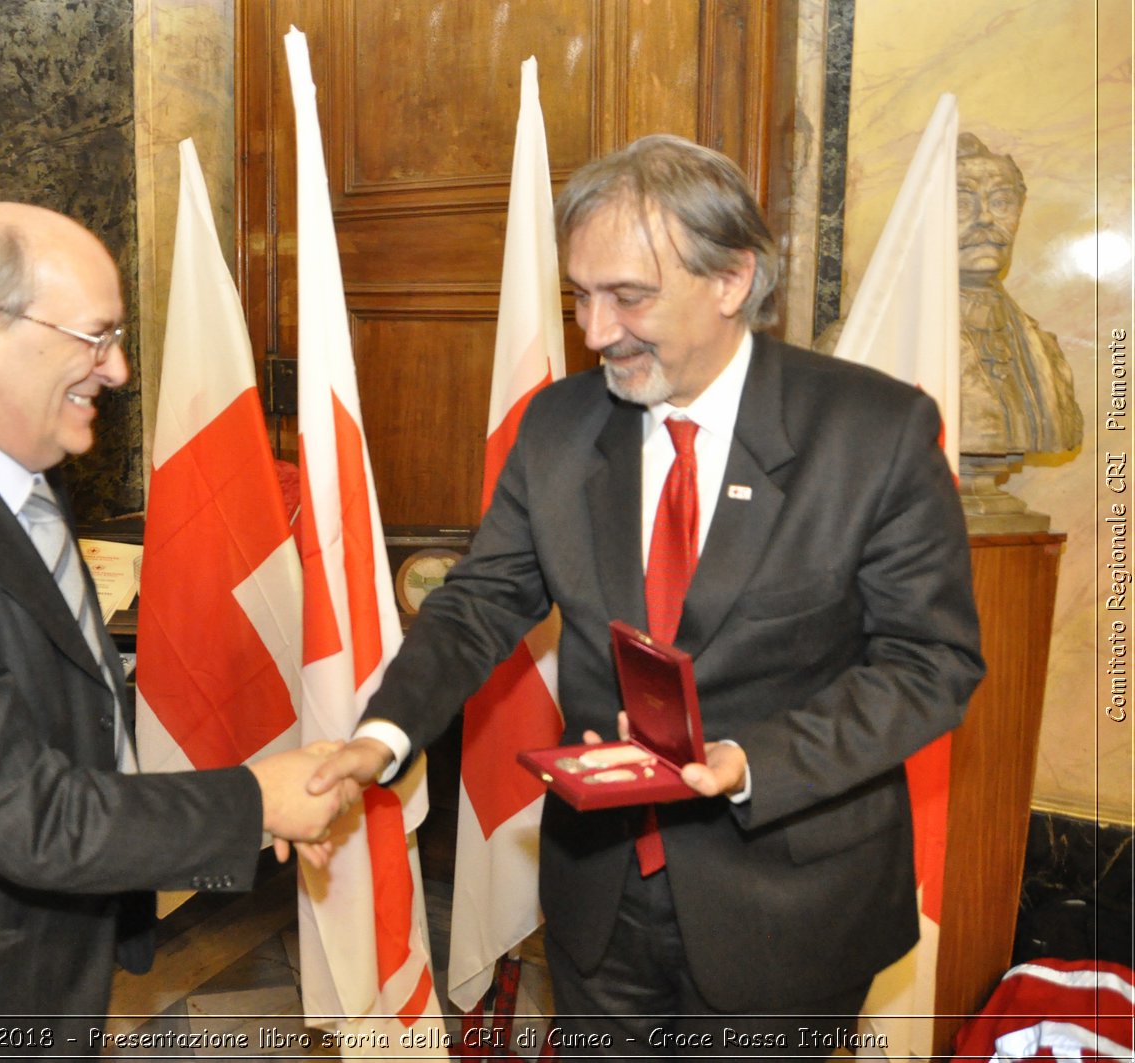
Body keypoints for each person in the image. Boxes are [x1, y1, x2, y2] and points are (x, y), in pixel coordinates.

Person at [311, 135, 985, 1057]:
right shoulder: (557, 425)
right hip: (600, 895)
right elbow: (480, 602)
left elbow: (931, 663)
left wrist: (750, 759)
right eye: (580, 296)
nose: (594, 331)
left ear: (732, 278)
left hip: (788, 902)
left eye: (628, 296)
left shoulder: (872, 432)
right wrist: (378, 737)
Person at [0, 202, 350, 1053]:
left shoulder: (10, 452)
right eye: (95, 336)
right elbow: (25, 814)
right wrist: (255, 797)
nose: (116, 368)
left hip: (35, 945)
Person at [955, 131, 1082, 456]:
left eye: (1000, 202)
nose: (984, 218)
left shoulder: (1045, 352)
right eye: (960, 202)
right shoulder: (872, 343)